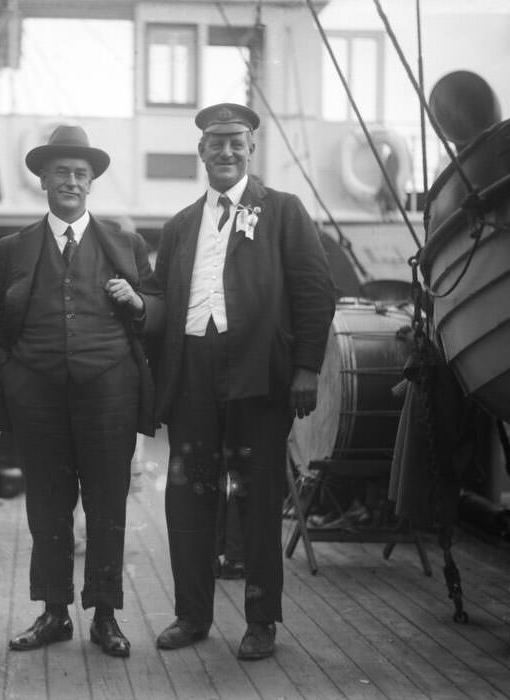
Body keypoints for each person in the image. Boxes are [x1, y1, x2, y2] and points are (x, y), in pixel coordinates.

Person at [150, 103, 335, 660]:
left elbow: (314, 292)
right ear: (201, 152)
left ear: (251, 149)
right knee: (188, 497)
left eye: (236, 142)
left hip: (259, 376)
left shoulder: (282, 211)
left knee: (257, 501)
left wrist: (305, 368)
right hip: (193, 378)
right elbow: (161, 302)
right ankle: (192, 615)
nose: (226, 151)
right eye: (215, 143)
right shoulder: (181, 225)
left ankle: (261, 621)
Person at [0, 125, 161, 658]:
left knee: (107, 506)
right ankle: (54, 613)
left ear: (92, 183)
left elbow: (155, 313)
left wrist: (137, 302)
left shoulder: (125, 244)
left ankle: (105, 616)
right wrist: (10, 374)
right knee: (47, 506)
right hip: (35, 396)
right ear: (42, 179)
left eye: (81, 174)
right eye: (61, 172)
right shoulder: (13, 249)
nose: (72, 181)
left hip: (109, 393)